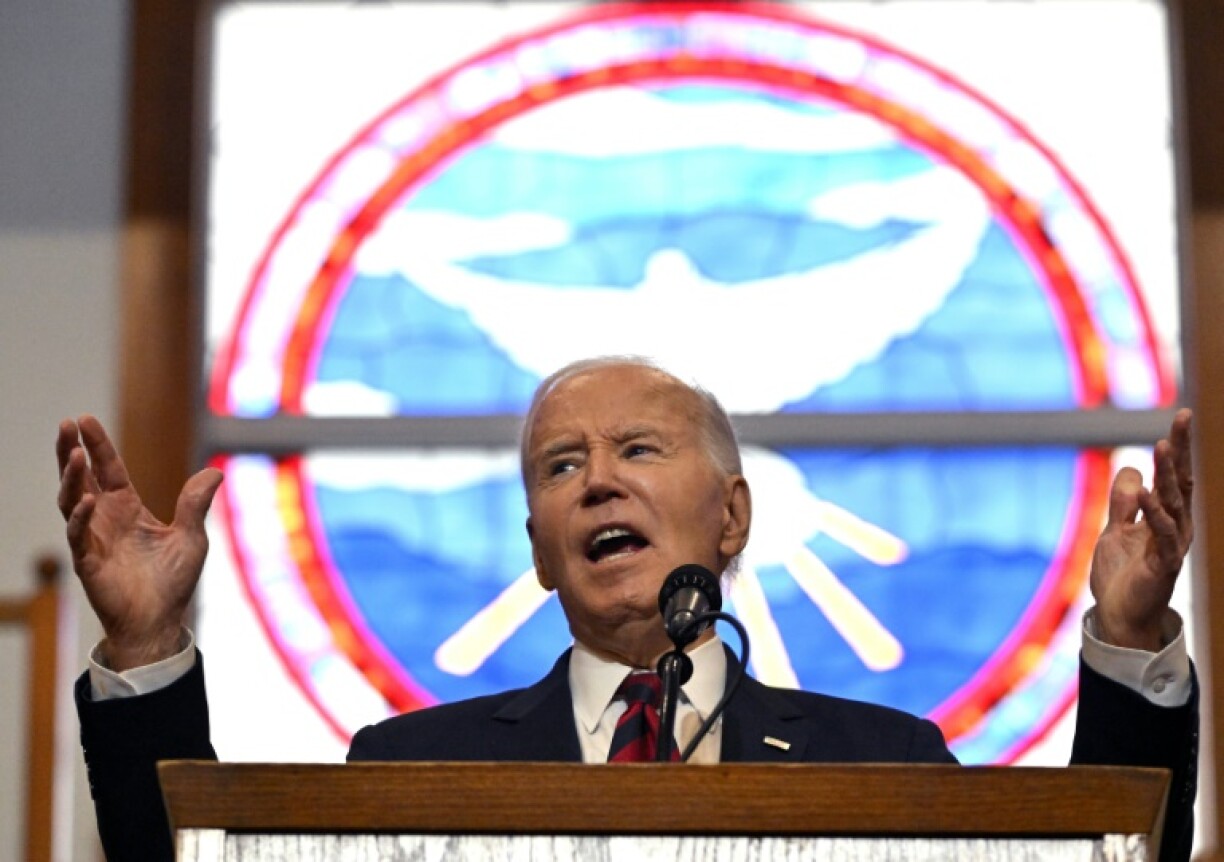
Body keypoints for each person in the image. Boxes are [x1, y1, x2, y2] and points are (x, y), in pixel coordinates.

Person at [58, 357, 1198, 861]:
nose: (596, 480)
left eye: (637, 450)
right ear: (541, 555)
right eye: (560, 467)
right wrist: (148, 644)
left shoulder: (890, 762)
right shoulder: (409, 765)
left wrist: (1131, 643)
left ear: (733, 518)